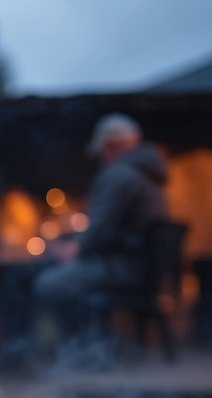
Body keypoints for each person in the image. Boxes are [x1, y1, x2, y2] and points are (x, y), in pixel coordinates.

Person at [34, 114, 169, 303]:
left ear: (108, 147)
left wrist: (75, 249)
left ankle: (77, 332)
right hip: (145, 268)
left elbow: (101, 227)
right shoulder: (150, 174)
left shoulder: (119, 175)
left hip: (124, 267)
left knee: (47, 283)